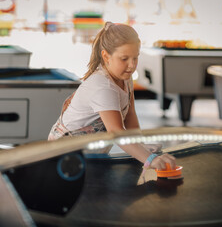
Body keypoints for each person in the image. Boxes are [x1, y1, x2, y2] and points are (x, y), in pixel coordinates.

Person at [48, 21, 176, 172]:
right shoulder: (103, 87)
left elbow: (130, 116)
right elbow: (116, 132)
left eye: (135, 57)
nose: (131, 65)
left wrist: (141, 146)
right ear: (106, 56)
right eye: (124, 58)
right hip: (64, 156)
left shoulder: (125, 77)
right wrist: (149, 159)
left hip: (91, 155)